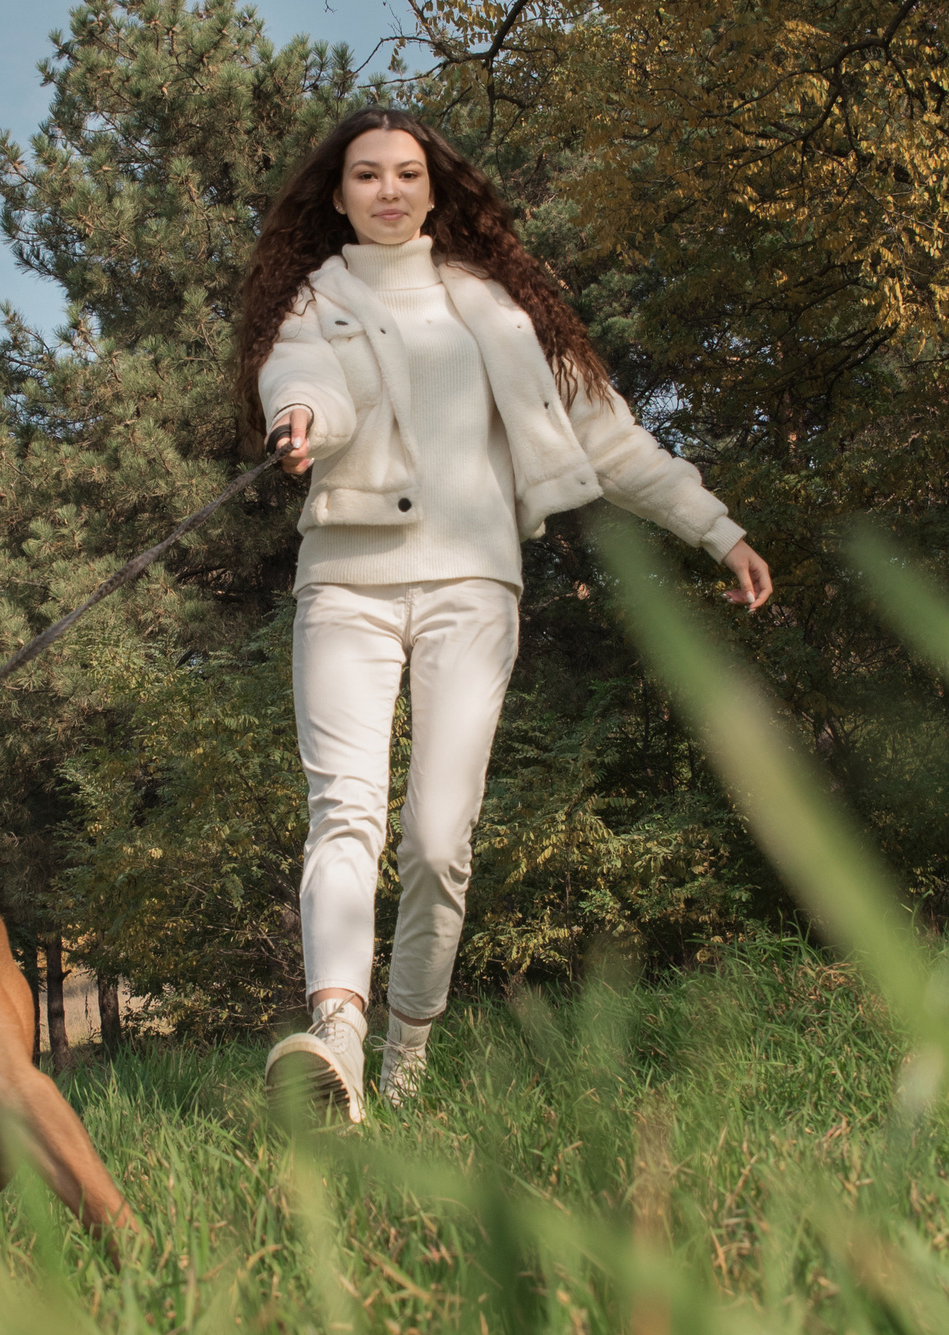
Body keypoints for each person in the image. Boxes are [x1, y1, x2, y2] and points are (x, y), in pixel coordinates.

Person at [239, 109, 772, 1120]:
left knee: (439, 838)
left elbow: (613, 446)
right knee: (344, 812)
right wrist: (298, 418)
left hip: (470, 588)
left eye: (405, 173)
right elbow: (302, 375)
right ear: (338, 194)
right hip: (347, 580)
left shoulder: (500, 311)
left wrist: (718, 530)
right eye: (365, 176)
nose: (387, 190)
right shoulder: (318, 297)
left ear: (436, 190)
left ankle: (405, 1055)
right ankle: (337, 1036)